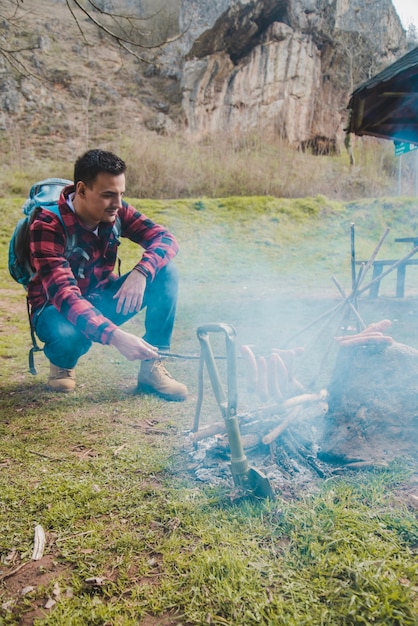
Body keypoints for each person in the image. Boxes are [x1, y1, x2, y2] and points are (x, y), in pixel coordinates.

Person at [27, 148, 187, 401]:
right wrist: (116, 337)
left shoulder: (117, 211)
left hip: (100, 298)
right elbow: (65, 296)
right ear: (81, 190)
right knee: (67, 332)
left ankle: (152, 368)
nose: (118, 204)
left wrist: (142, 272)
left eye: (121, 194)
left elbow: (165, 239)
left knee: (165, 273)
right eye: (108, 195)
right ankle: (62, 362)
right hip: (54, 311)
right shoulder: (47, 225)